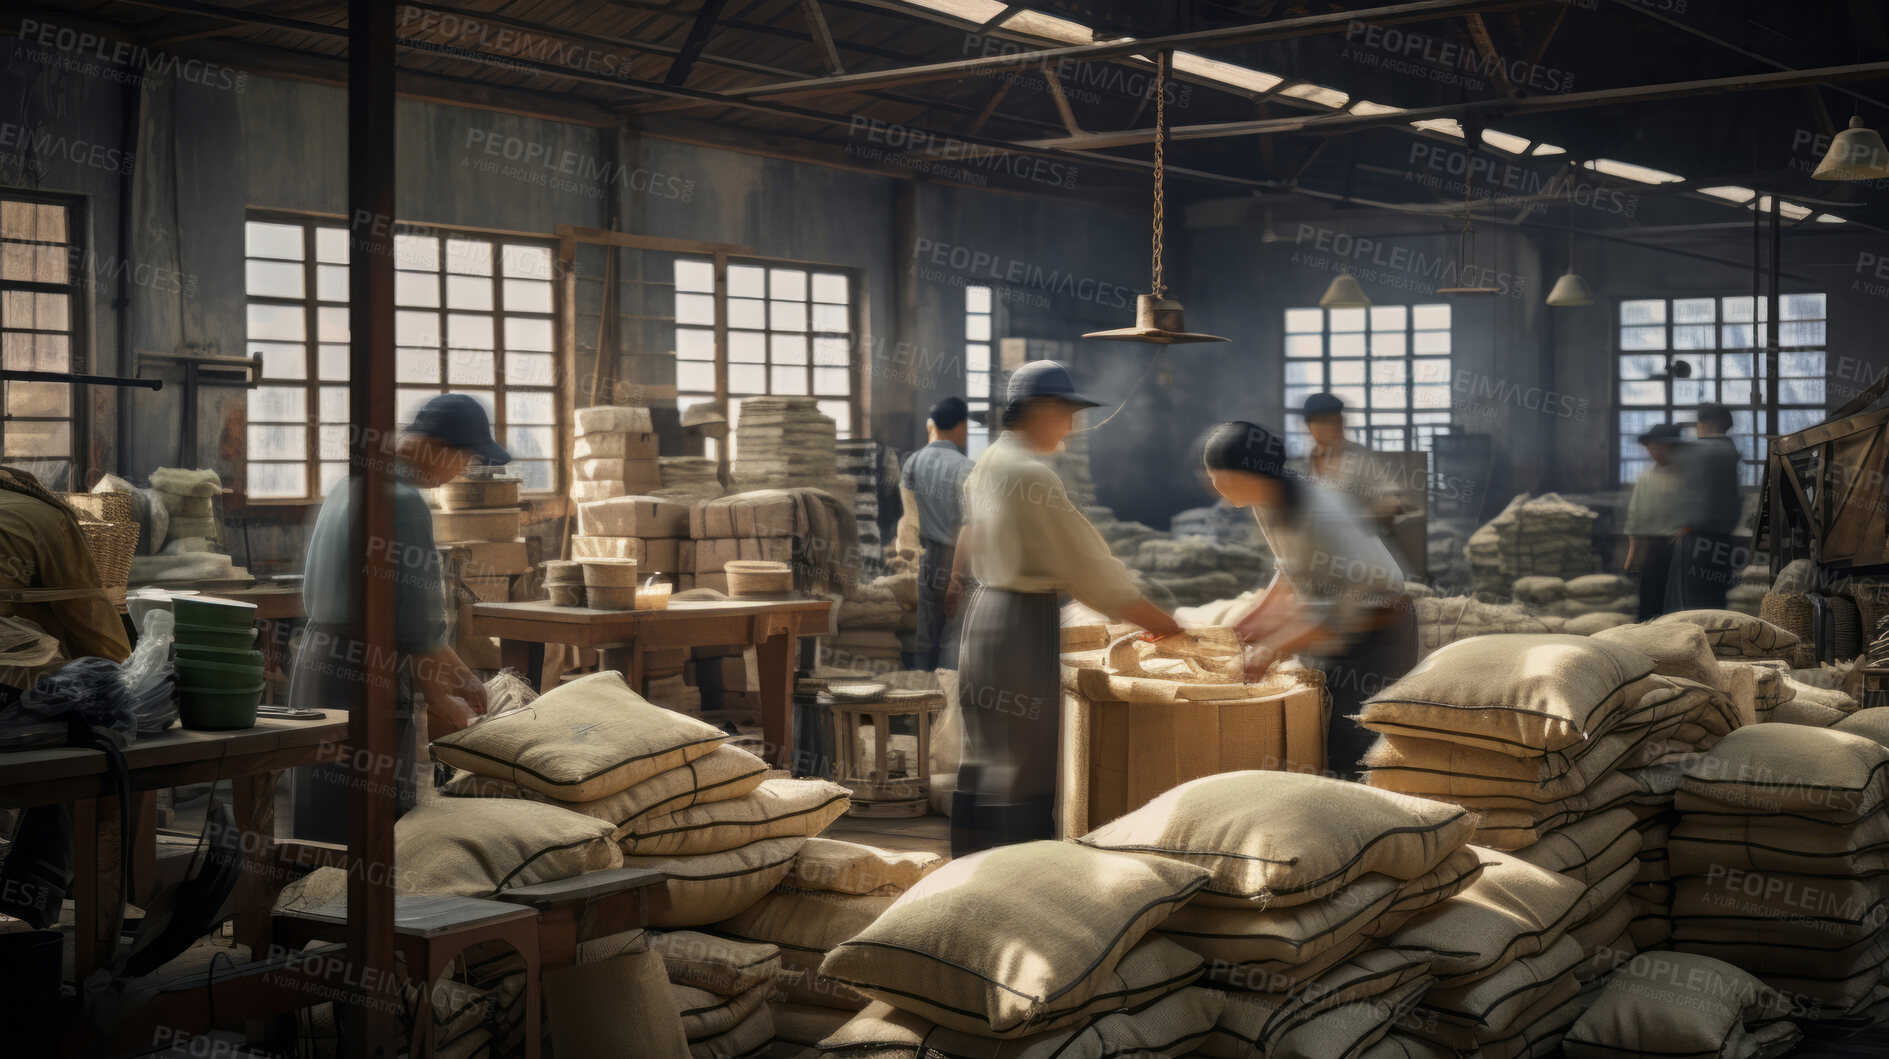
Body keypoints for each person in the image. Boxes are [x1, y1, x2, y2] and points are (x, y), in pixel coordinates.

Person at [949, 361, 1180, 854]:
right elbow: (1086, 566)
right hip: (1020, 624)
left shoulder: (989, 461)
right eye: (1065, 413)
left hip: (983, 617)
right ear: (1039, 410)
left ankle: (968, 878)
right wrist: (1160, 622)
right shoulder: (1031, 475)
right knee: (1024, 760)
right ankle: (1016, 884)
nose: (1071, 426)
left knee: (988, 756)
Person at [290, 394, 504, 842]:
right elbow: (417, 624)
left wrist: (463, 679)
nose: (460, 472)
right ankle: (362, 911)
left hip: (317, 664)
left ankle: (305, 905)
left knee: (321, 813)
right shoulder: (404, 503)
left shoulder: (351, 485)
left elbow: (414, 622)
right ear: (440, 449)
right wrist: (443, 700)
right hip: (366, 672)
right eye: (464, 460)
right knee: (370, 821)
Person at [1201, 421, 1414, 780]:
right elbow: (1289, 569)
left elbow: (1341, 615)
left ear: (1249, 474)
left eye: (1219, 476)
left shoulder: (1321, 513)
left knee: (1353, 745)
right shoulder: (1267, 499)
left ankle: (1364, 822)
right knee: (1317, 729)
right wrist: (1250, 622)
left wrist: (1271, 649)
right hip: (1334, 620)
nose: (1214, 485)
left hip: (1378, 627)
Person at [0, 468, 133, 926]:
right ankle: (35, 892)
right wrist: (123, 675)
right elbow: (90, 615)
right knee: (74, 745)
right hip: (8, 687)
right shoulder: (46, 519)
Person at [901, 396, 975, 671]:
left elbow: (909, 519)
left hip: (928, 559)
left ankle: (924, 704)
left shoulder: (913, 462)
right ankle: (951, 707)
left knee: (926, 637)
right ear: (961, 426)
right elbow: (972, 525)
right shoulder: (966, 467)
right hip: (958, 559)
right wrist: (957, 578)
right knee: (956, 638)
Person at [1290, 393, 1408, 528]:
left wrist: (1364, 517)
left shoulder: (1360, 457)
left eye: (1334, 421)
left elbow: (1391, 499)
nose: (1329, 428)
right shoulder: (1306, 463)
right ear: (1310, 427)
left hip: (1358, 539)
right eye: (1320, 422)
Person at [1675, 403, 1743, 609]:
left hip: (1696, 537)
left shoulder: (1697, 451)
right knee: (1716, 601)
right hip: (1722, 539)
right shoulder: (1730, 450)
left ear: (1702, 423)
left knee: (1694, 602)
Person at [1622, 422, 1688, 621]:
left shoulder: (1687, 476)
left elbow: (1697, 511)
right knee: (1651, 601)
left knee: (1677, 602)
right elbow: (1635, 515)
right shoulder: (1646, 477)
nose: (1653, 452)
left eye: (1659, 447)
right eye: (1651, 447)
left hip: (1681, 546)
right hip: (1652, 546)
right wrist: (1633, 553)